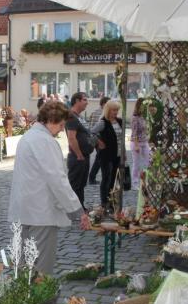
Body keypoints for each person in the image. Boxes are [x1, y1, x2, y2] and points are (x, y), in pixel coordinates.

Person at [8, 101, 90, 275]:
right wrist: (77, 210)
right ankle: (36, 300)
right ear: (51, 120)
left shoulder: (29, 136)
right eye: (61, 125)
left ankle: (23, 299)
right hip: (41, 213)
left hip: (25, 209)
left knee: (24, 265)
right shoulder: (44, 140)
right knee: (40, 269)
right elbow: (58, 180)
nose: (62, 129)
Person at [92, 100, 124, 209]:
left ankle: (111, 200)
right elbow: (91, 132)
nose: (115, 112)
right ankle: (104, 201)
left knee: (114, 178)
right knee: (106, 178)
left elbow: (121, 139)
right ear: (108, 110)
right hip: (106, 155)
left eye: (117, 110)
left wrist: (123, 152)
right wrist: (98, 142)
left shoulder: (120, 121)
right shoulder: (103, 122)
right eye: (113, 110)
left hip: (118, 155)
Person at [65, 92, 93, 210]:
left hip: (84, 155)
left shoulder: (79, 116)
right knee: (75, 185)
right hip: (78, 157)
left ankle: (80, 207)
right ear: (77, 101)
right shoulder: (71, 116)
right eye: (85, 100)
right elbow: (71, 137)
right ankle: (72, 209)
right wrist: (79, 154)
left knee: (81, 184)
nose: (87, 102)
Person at [88, 96, 110, 184]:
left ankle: (92, 177)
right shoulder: (97, 112)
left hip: (103, 140)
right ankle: (92, 178)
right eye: (108, 103)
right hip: (98, 139)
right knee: (99, 159)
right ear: (104, 103)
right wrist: (97, 140)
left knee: (100, 159)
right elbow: (92, 128)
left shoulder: (105, 112)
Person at [130, 98, 151, 192]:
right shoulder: (135, 117)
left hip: (145, 142)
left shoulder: (144, 117)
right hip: (136, 143)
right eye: (144, 106)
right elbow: (134, 133)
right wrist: (137, 145)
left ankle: (147, 181)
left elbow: (145, 130)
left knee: (149, 161)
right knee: (136, 164)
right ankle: (134, 183)